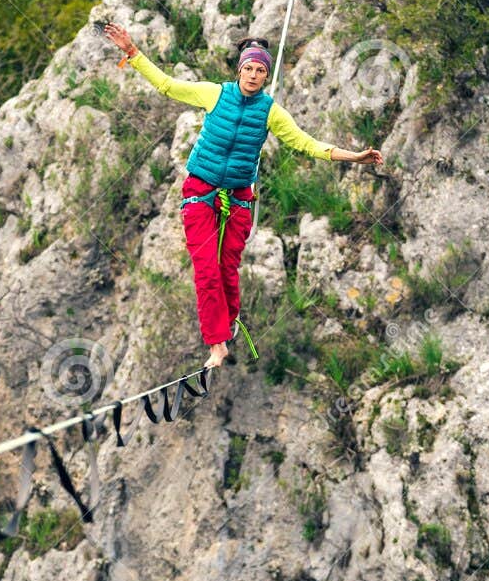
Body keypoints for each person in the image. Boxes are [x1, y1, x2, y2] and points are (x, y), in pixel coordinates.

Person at [99, 21, 384, 369]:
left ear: (266, 76)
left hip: (238, 197)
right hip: (200, 192)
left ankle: (228, 324)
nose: (253, 75)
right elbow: (167, 86)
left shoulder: (271, 113)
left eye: (260, 70)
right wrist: (132, 52)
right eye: (248, 68)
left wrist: (353, 156)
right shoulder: (214, 93)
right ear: (239, 70)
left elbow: (306, 143)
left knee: (228, 268)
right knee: (206, 270)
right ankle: (216, 344)